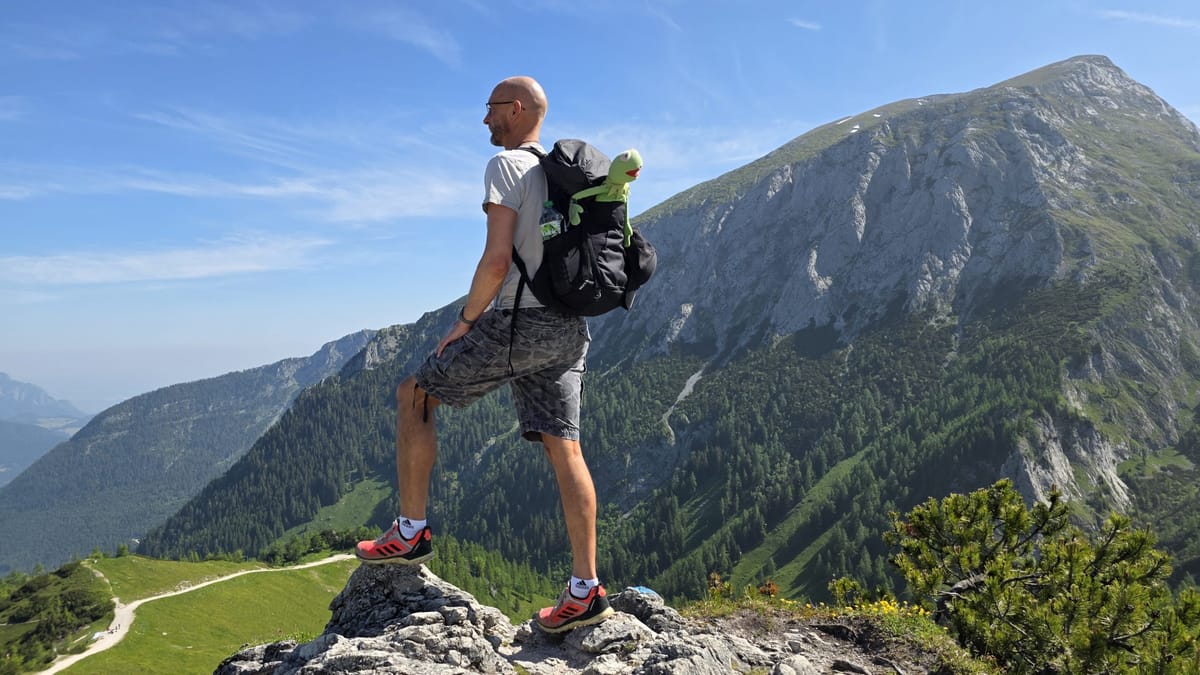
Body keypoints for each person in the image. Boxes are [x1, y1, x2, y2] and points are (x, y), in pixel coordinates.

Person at [355, 76, 613, 633]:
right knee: (565, 447)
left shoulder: (508, 166)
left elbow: (497, 260)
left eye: (491, 108)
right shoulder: (562, 174)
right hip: (570, 325)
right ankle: (585, 589)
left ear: (516, 109)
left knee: (414, 394)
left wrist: (466, 321)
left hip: (521, 321)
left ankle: (410, 532)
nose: (485, 119)